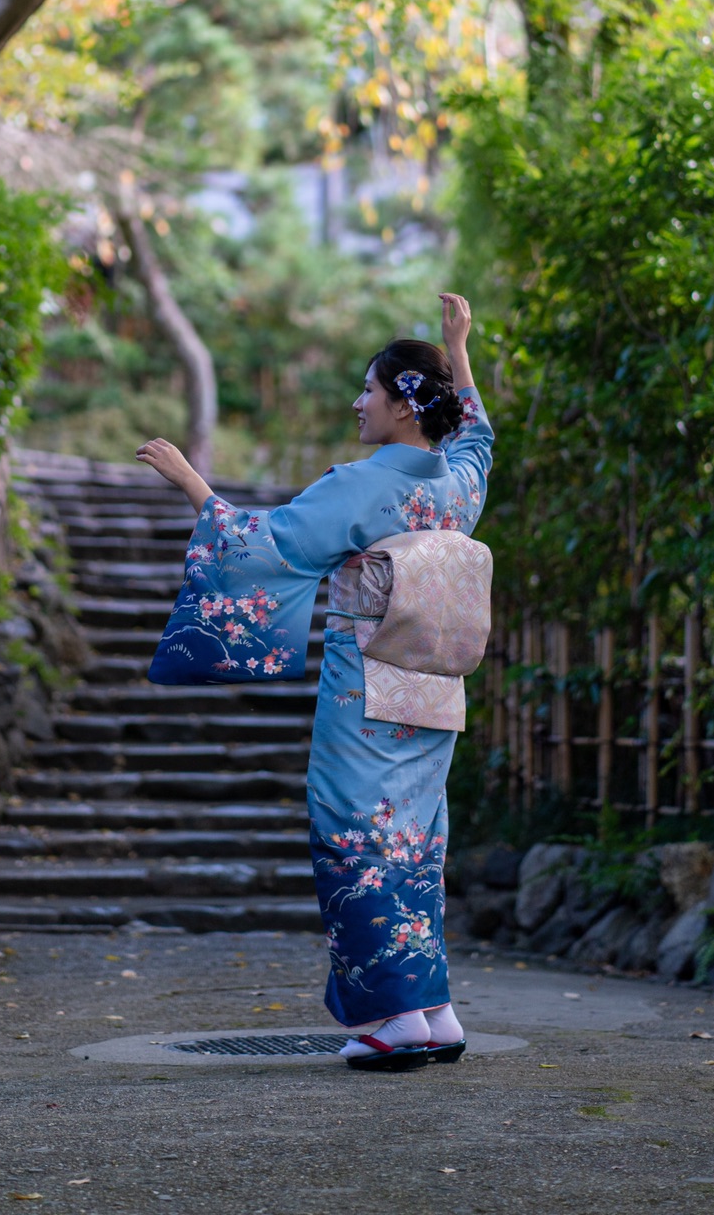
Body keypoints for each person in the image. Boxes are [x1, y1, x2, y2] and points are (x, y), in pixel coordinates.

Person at [136, 292, 493, 1071]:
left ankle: (394, 1017)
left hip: (367, 683)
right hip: (432, 689)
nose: (357, 403)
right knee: (414, 841)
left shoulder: (368, 487)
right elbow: (478, 436)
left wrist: (191, 482)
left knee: (354, 835)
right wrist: (457, 347)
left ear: (403, 405)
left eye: (368, 389)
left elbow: (265, 546)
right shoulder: (456, 487)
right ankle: (433, 1009)